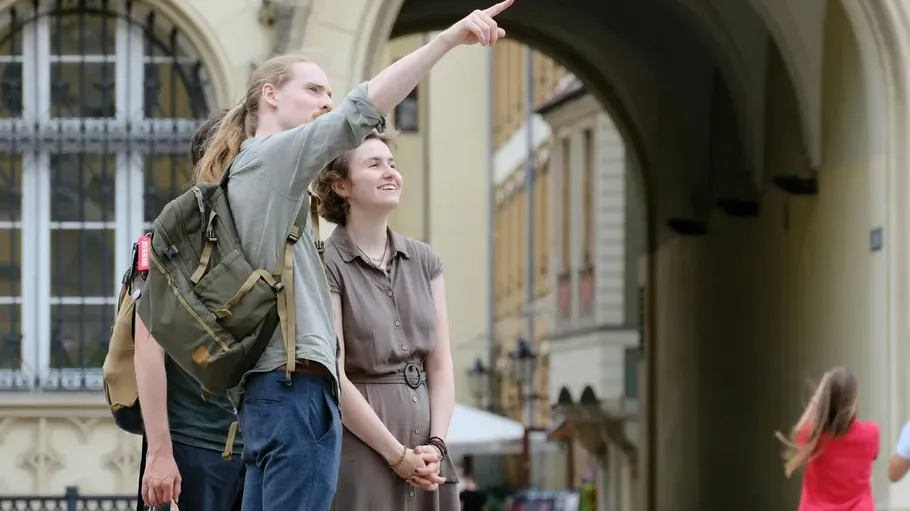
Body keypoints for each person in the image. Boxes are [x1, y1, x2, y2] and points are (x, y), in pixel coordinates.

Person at [160, 2, 513, 510]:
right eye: (314, 90)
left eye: (329, 90)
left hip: (265, 397)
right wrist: (445, 40)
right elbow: (360, 111)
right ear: (271, 94)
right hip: (297, 393)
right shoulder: (274, 159)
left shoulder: (247, 171)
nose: (327, 101)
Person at [311, 131, 454, 509]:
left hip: (428, 452)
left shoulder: (426, 260)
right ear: (342, 186)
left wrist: (436, 445)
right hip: (363, 449)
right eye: (374, 164)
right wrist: (397, 455)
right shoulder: (326, 263)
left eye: (391, 163)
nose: (390, 172)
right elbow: (334, 376)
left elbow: (440, 367)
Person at [135, 108, 245, 511]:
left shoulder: (267, 235)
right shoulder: (171, 234)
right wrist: (160, 453)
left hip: (260, 447)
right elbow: (148, 346)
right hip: (194, 447)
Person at [775, 367, 879, 511]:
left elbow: (798, 434)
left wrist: (818, 397)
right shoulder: (871, 434)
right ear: (854, 400)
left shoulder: (814, 437)